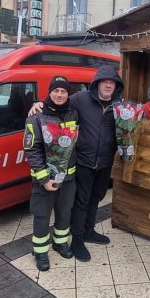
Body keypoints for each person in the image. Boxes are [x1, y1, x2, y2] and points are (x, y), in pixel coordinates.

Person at [29, 65, 124, 262]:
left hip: (105, 162)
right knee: (80, 201)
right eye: (104, 81)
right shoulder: (80, 99)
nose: (108, 85)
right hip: (83, 162)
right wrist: (39, 104)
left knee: (96, 197)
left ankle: (89, 230)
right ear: (97, 83)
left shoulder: (119, 105)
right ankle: (77, 239)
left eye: (112, 82)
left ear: (116, 86)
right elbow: (56, 102)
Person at [23, 76, 79, 271]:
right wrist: (44, 179)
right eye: (56, 90)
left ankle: (60, 242)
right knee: (42, 215)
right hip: (45, 180)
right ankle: (40, 251)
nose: (60, 94)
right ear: (50, 92)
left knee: (65, 212)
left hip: (69, 178)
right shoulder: (36, 116)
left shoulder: (74, 112)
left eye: (63, 91)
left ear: (68, 93)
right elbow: (32, 150)